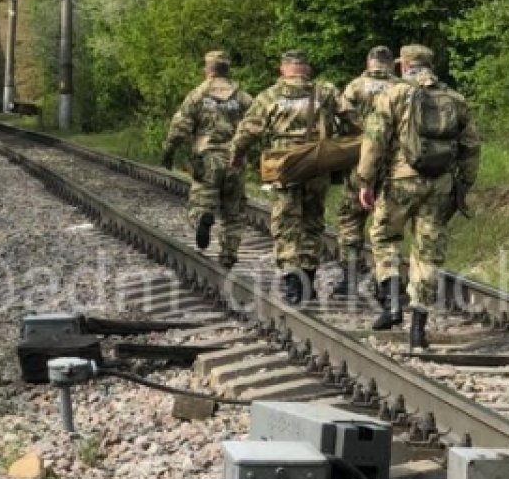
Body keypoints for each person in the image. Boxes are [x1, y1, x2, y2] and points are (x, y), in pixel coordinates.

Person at [356, 44, 481, 348]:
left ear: (405, 66)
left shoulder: (394, 94)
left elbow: (374, 141)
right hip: (439, 185)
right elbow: (472, 146)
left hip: (401, 180)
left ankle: (393, 302)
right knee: (428, 252)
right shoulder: (454, 99)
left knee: (385, 237)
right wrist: (463, 183)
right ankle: (418, 329)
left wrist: (365, 181)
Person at [229, 49, 345, 304]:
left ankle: (293, 282)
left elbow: (249, 129)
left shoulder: (270, 95)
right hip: (317, 163)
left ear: (283, 69)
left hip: (284, 165)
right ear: (307, 69)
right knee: (312, 221)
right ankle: (308, 277)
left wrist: (237, 154)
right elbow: (353, 120)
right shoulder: (325, 92)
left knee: (286, 222)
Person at [161, 50, 253, 268]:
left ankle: (203, 216)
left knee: (200, 201)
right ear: (227, 69)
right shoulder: (242, 96)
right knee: (234, 212)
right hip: (235, 160)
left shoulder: (198, 95)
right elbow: (255, 124)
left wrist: (169, 151)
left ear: (208, 69)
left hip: (206, 160)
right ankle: (228, 255)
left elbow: (180, 127)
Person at [332, 45, 400, 296]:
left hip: (359, 161)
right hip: (394, 163)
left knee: (351, 217)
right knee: (386, 222)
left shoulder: (354, 87)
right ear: (391, 64)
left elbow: (339, 119)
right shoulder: (401, 88)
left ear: (368, 62)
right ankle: (387, 280)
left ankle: (349, 277)